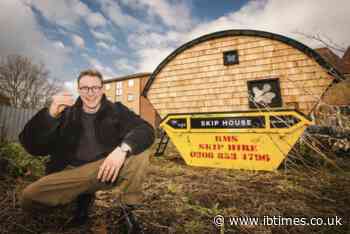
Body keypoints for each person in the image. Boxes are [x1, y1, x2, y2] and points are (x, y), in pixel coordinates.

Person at [18, 69, 155, 228]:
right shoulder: (65, 113)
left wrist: (122, 150)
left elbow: (145, 129)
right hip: (69, 171)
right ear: (78, 90)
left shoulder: (116, 110)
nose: (90, 93)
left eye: (95, 88)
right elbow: (32, 146)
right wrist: (50, 115)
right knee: (29, 198)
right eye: (85, 88)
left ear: (102, 89)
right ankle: (76, 200)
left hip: (103, 170)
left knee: (139, 151)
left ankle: (129, 208)